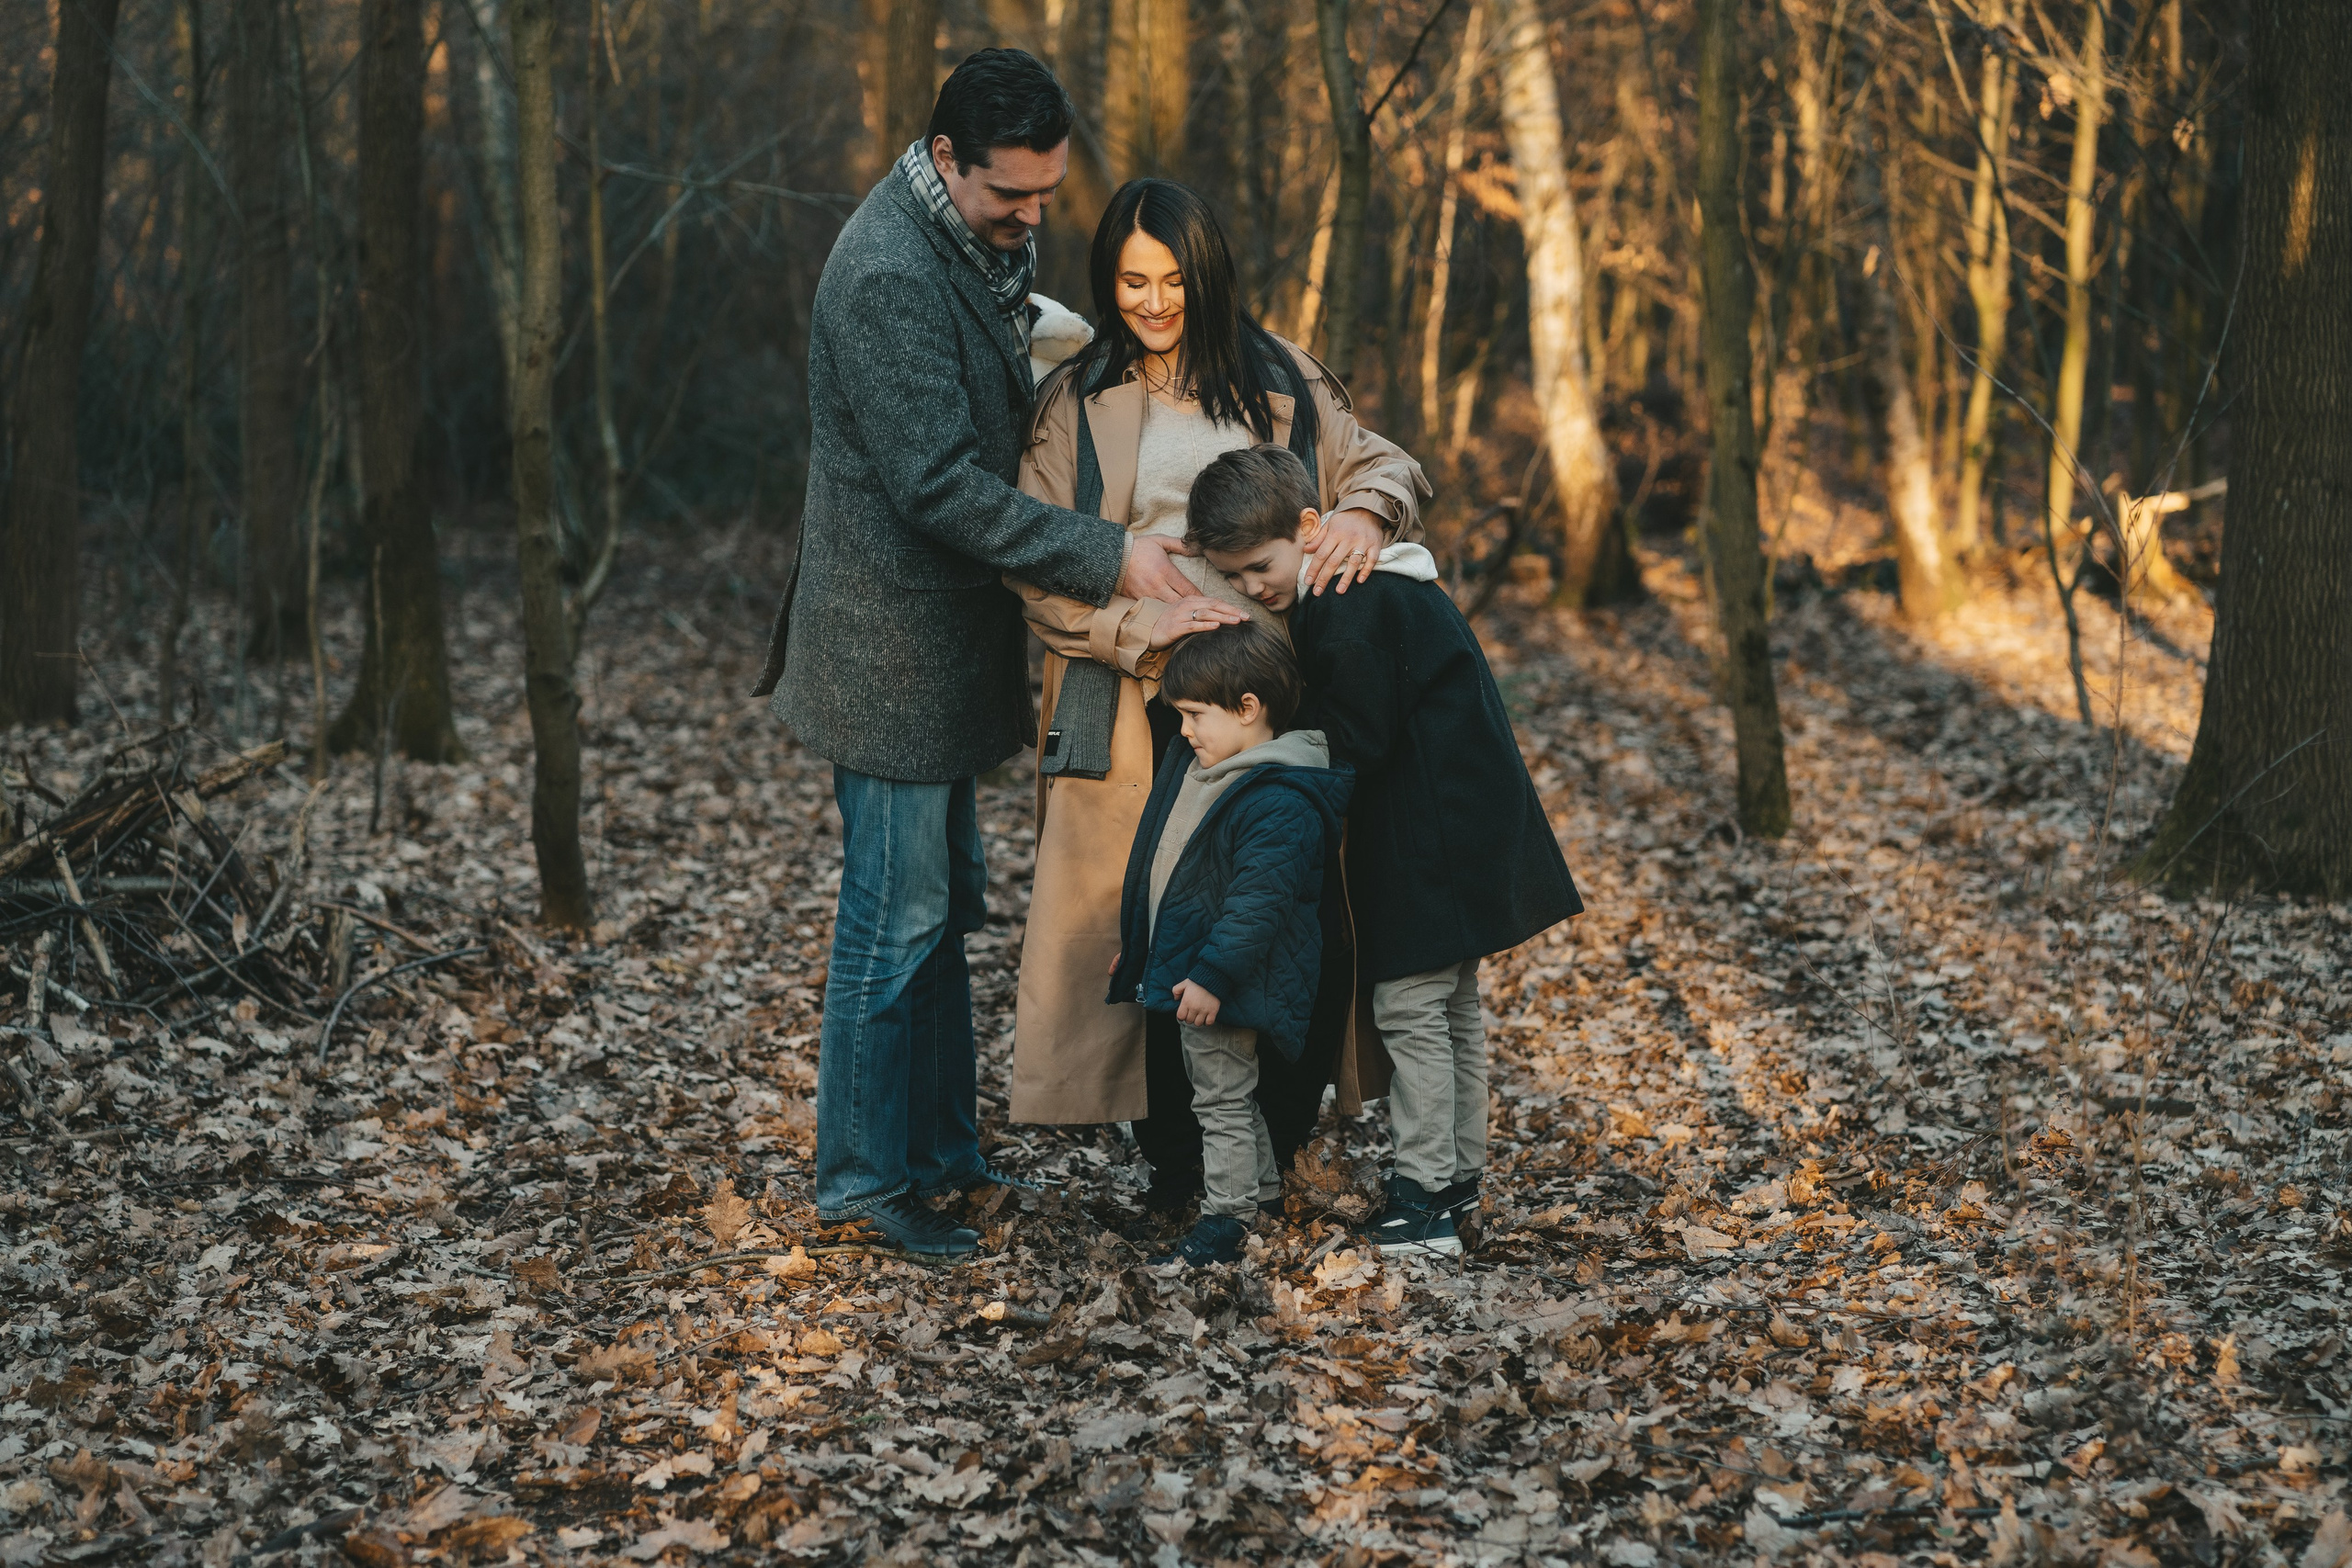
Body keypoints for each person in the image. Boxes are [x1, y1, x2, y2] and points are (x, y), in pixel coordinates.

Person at [749, 51, 1203, 1258]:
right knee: (890, 919)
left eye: (1050, 192)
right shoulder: (890, 272)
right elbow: (938, 483)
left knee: (945, 905)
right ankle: (857, 1182)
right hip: (886, 646)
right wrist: (1107, 556)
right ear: (946, 158)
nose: (1036, 216)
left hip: (948, 637)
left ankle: (942, 1151)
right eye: (1015, 193)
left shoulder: (972, 231)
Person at [1009, 177, 1430, 1217]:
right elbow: (1031, 563)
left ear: (1209, 277)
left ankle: (1276, 1142)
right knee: (1163, 925)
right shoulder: (1078, 400)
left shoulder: (1277, 375)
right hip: (1143, 709)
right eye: (1130, 280)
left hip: (1283, 705)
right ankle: (1178, 1171)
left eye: (1173, 280)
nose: (1153, 302)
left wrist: (1366, 516)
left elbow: (1382, 462)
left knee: (1299, 920)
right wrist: (1136, 629)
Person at [1188, 444, 1585, 1256]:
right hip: (1468, 829)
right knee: (1451, 1009)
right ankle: (1460, 1176)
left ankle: (1425, 1198)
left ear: (1311, 527)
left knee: (1410, 1009)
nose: (1254, 589)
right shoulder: (1385, 583)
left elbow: (1352, 740)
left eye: (1260, 566)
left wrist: (1260, 755)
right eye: (1234, 579)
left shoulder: (1349, 601)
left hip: (1427, 843)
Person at [1106, 622, 1353, 1266]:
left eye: (1194, 715)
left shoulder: (1279, 796)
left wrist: (1213, 975)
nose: (1183, 731)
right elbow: (1170, 873)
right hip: (1198, 967)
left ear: (1249, 708)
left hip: (1228, 977)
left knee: (1220, 1097)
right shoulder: (1210, 773)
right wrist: (1142, 946)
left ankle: (1229, 1216)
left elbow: (1257, 905)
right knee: (1226, 1092)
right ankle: (1261, 1194)